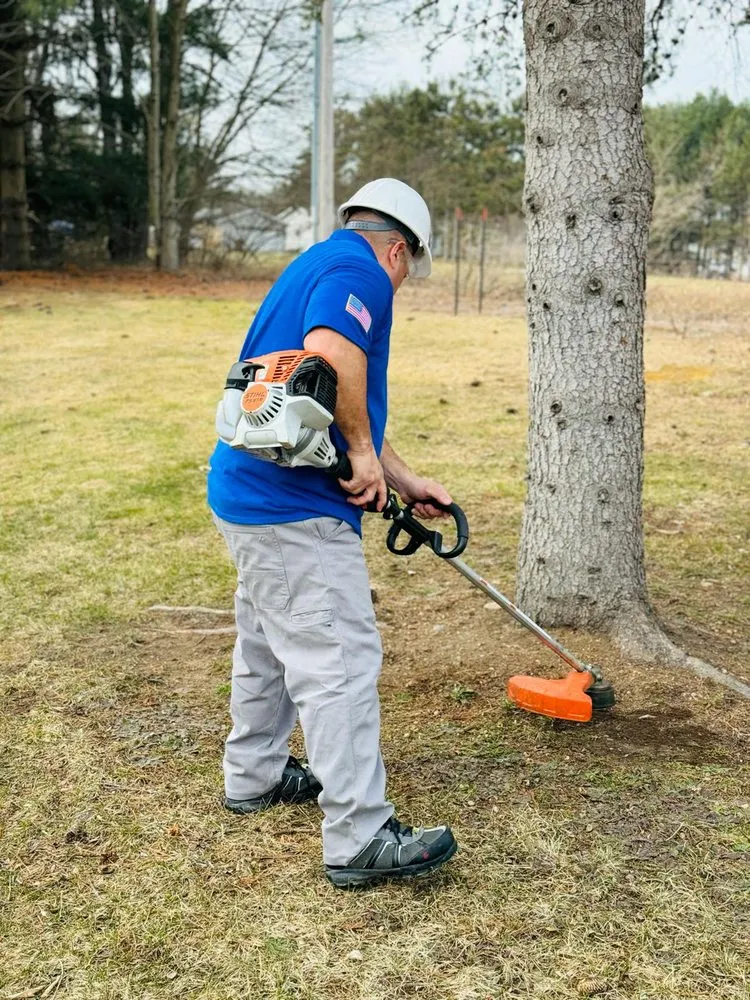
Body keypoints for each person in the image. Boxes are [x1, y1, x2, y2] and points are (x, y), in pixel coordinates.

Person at [207, 178, 458, 889]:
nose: (402, 283)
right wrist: (363, 455)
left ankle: (254, 773)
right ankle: (359, 834)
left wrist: (399, 476)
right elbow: (332, 355)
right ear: (399, 251)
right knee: (338, 658)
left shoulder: (316, 260)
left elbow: (322, 394)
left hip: (247, 493)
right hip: (292, 509)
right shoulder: (361, 270)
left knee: (267, 643)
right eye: (408, 270)